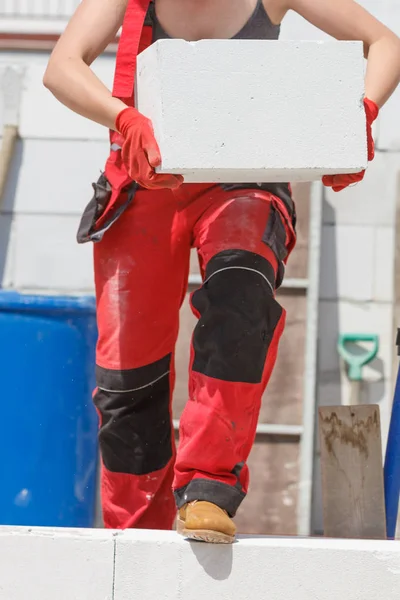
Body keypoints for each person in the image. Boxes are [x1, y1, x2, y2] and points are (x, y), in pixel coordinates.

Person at [44, 0, 400, 544]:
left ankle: (208, 487)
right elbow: (62, 65)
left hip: (242, 178)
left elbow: (386, 44)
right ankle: (137, 533)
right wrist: (123, 116)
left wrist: (361, 117)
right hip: (147, 180)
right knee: (128, 377)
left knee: (241, 303)